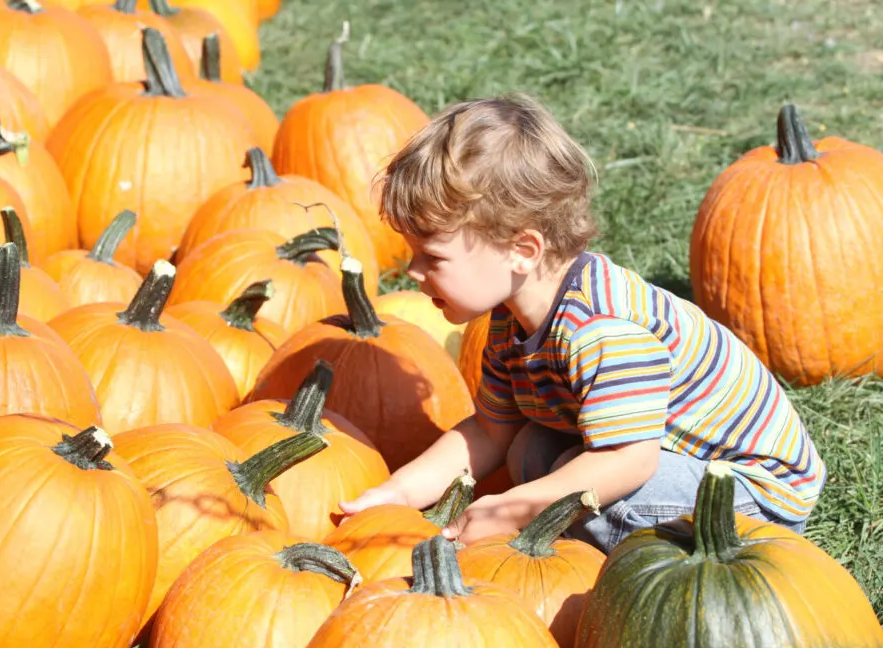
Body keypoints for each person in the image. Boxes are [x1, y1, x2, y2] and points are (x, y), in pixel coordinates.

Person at [338, 94, 825, 552]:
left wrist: (514, 509)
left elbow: (629, 461)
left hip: (750, 497)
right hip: (665, 462)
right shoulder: (511, 322)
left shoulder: (601, 329)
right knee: (528, 453)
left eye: (432, 256)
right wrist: (399, 492)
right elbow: (489, 432)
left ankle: (619, 584)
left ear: (522, 250)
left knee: (578, 491)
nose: (413, 272)